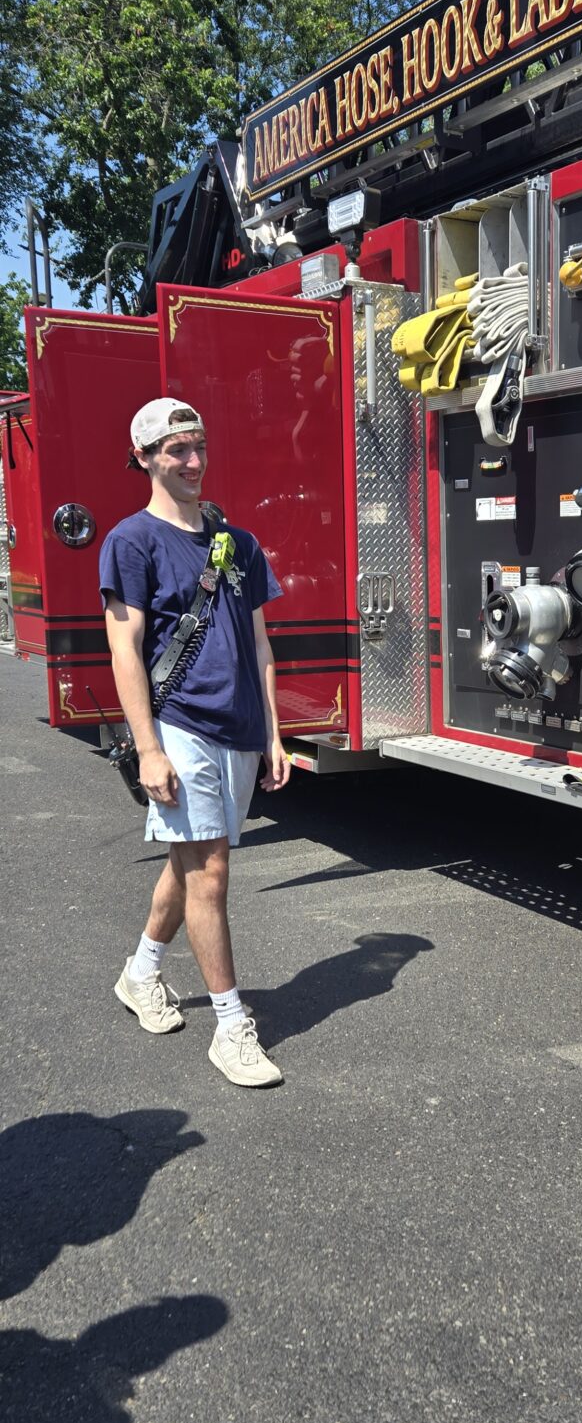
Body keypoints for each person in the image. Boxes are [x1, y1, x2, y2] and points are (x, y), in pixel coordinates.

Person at [99, 397, 291, 1087]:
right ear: (144, 458)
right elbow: (124, 649)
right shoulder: (131, 541)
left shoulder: (237, 543)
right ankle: (231, 1027)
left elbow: (260, 645)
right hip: (180, 725)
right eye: (176, 450)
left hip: (239, 727)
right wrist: (148, 748)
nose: (192, 461)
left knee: (188, 862)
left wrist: (273, 733)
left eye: (198, 446)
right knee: (210, 870)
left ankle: (141, 972)